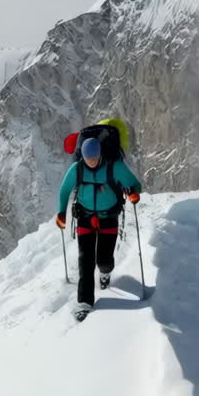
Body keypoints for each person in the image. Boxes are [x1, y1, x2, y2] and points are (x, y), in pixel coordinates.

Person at [55, 136, 142, 319]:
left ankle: (105, 272)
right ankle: (85, 302)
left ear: (100, 154)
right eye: (88, 158)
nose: (92, 161)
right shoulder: (77, 169)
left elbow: (134, 184)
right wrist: (61, 213)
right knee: (85, 261)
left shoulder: (114, 167)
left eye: (95, 157)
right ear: (83, 157)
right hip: (85, 217)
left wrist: (134, 194)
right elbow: (64, 190)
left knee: (104, 259)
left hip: (109, 217)